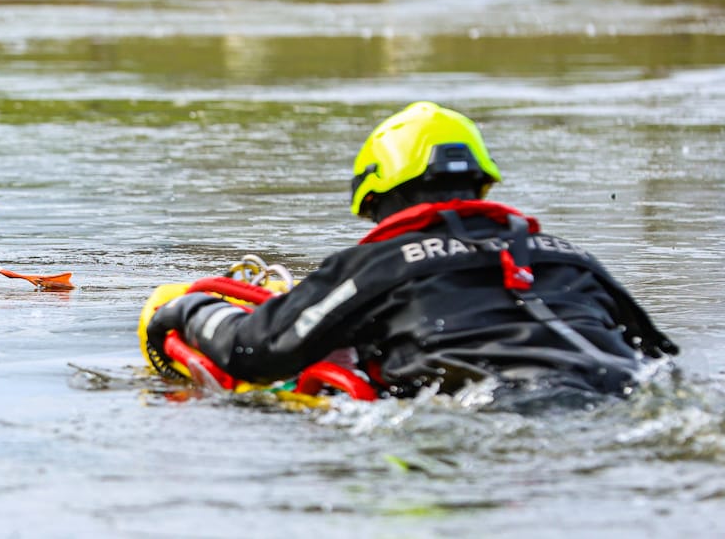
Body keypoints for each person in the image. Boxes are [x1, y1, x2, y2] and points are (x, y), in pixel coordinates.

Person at [145, 102, 678, 402]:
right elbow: (659, 355)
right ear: (482, 185)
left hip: (496, 418)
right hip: (619, 396)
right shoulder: (570, 258)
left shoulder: (379, 266)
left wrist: (186, 309)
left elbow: (255, 352)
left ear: (378, 198)